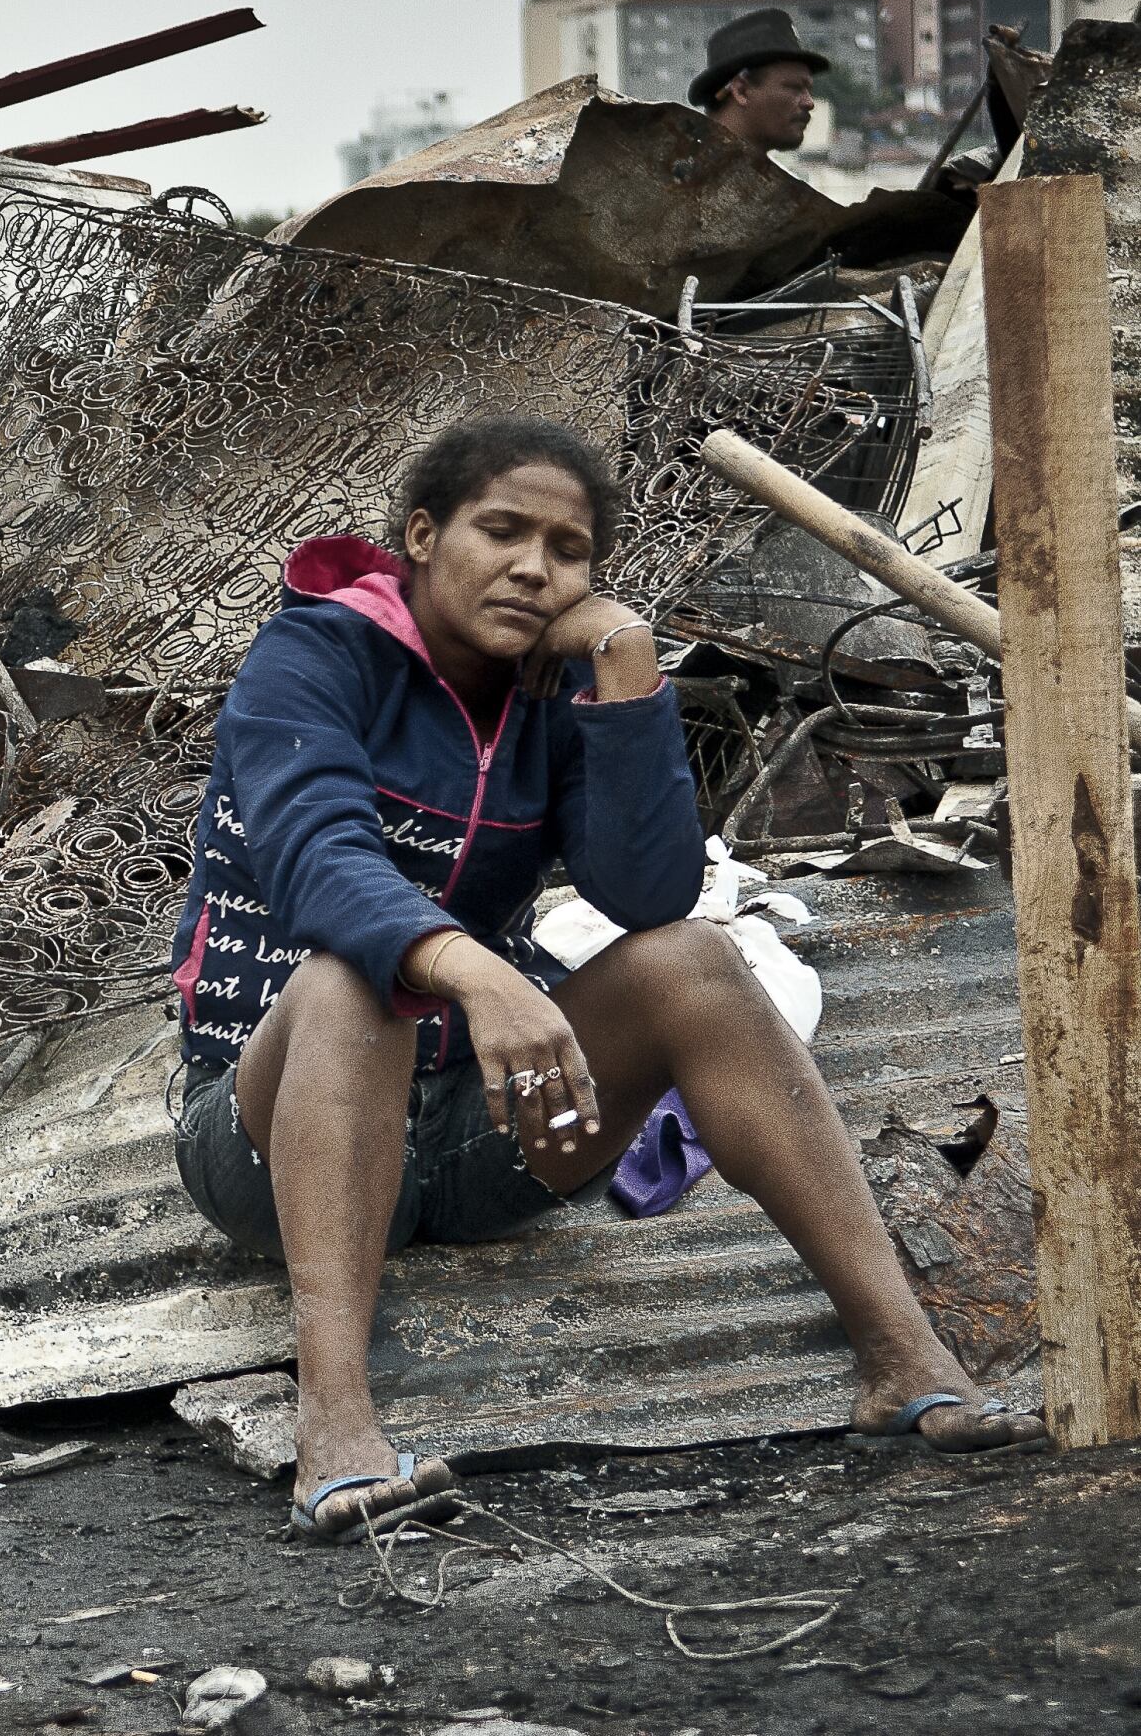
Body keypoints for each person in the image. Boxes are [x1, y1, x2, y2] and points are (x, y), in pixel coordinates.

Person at [168, 415, 1041, 1542]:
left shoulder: (553, 685)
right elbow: (315, 857)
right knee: (355, 979)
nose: (535, 566)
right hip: (269, 1127)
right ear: (423, 537)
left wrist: (625, 666)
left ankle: (905, 1361)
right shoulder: (316, 657)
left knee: (698, 963)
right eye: (501, 530)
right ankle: (336, 1430)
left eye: (569, 550)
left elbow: (648, 893)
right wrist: (477, 972)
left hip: (475, 1137)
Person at [691, 6, 827, 155]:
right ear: (741, 91)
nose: (809, 103)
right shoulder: (677, 171)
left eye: (809, 90)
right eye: (795, 88)